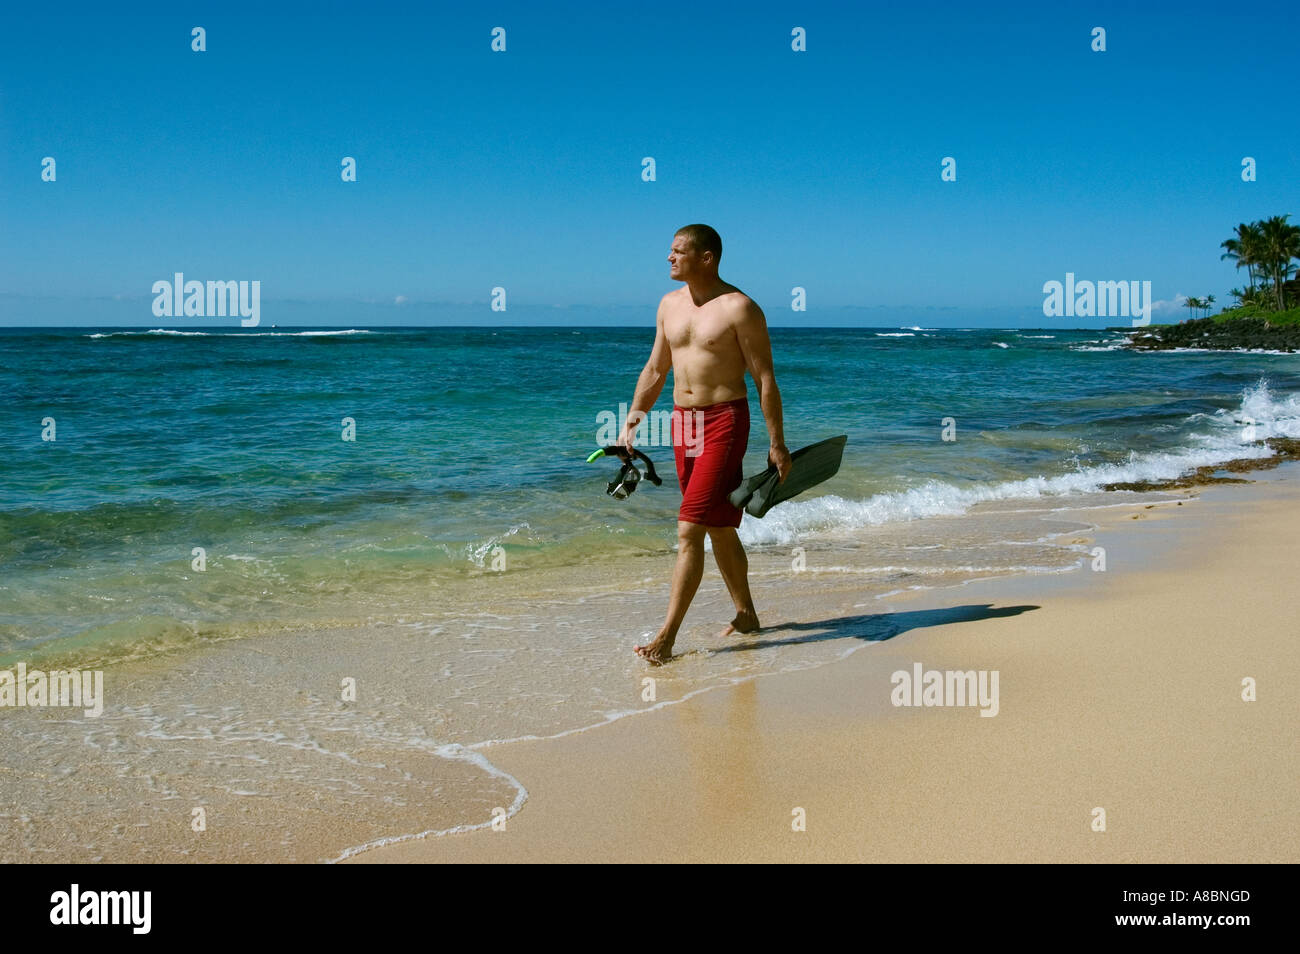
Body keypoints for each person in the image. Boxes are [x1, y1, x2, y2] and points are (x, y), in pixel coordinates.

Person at [620, 224, 792, 664]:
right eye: (670, 250)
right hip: (683, 425)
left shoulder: (739, 308)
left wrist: (777, 443)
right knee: (718, 524)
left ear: (707, 257)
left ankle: (666, 637)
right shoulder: (668, 305)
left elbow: (764, 378)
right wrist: (631, 425)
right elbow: (656, 369)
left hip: (724, 422)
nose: (669, 258)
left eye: (678, 251)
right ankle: (747, 614)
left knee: (689, 526)